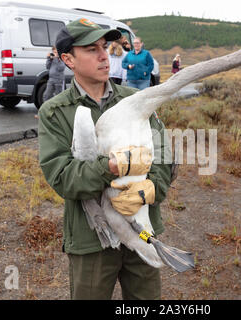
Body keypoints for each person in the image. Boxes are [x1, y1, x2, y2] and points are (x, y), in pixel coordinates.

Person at [38, 19, 172, 300]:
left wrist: (152, 188)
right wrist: (110, 166)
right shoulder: (55, 112)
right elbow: (62, 177)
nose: (104, 55)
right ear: (68, 59)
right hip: (91, 242)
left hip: (142, 233)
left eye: (104, 47)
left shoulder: (136, 100)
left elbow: (164, 156)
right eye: (91, 49)